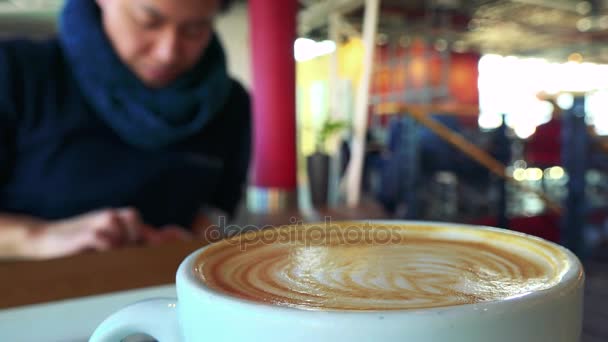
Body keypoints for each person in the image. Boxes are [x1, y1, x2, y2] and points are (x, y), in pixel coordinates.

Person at [0, 0, 251, 259]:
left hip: (157, 288)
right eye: (148, 22)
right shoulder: (16, 74)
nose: (168, 52)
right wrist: (38, 237)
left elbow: (213, 212)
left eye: (194, 30)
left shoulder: (228, 104)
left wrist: (190, 244)